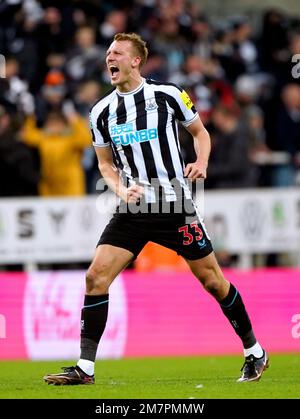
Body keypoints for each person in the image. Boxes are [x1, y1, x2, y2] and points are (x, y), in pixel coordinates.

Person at [44, 32, 268, 385]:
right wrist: (119, 188)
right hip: (133, 208)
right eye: (107, 53)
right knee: (95, 276)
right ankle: (85, 368)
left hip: (174, 204)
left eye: (116, 53)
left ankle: (254, 351)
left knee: (212, 280)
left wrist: (202, 161)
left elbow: (201, 133)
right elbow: (104, 164)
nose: (109, 58)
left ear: (135, 60)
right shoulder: (101, 112)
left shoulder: (167, 95)